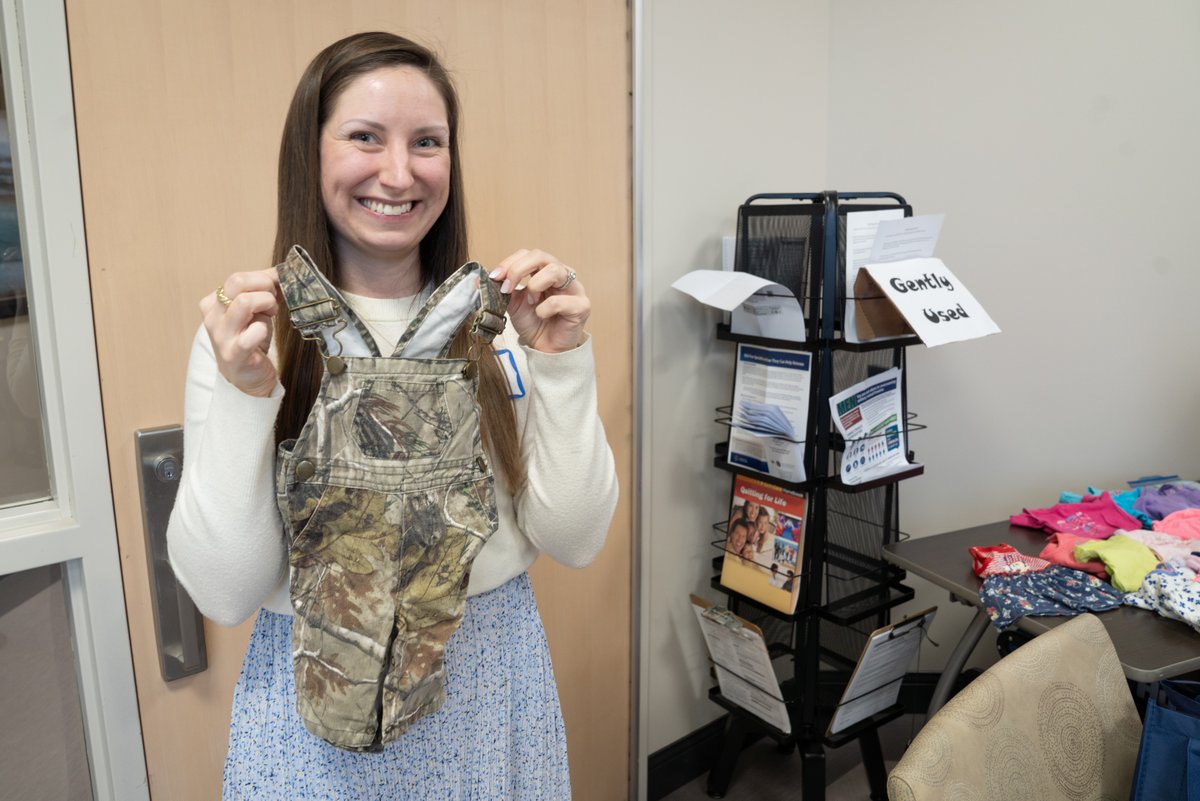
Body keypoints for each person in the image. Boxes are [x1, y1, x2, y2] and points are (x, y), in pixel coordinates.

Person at [165, 31, 618, 800]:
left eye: (427, 142)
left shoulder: (503, 325)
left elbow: (575, 540)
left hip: (489, 682)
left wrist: (564, 362)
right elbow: (225, 592)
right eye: (365, 137)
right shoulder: (253, 335)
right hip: (315, 700)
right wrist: (246, 396)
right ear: (311, 152)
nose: (399, 172)